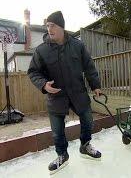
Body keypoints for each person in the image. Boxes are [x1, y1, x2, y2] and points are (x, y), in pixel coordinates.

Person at [27, 11, 102, 174]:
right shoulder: (41, 51)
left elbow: (89, 66)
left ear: (61, 27)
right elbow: (33, 72)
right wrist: (44, 85)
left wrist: (95, 85)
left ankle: (85, 145)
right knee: (57, 131)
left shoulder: (77, 45)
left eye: (52, 25)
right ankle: (62, 155)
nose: (49, 29)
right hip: (56, 96)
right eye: (47, 26)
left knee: (88, 120)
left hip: (78, 93)